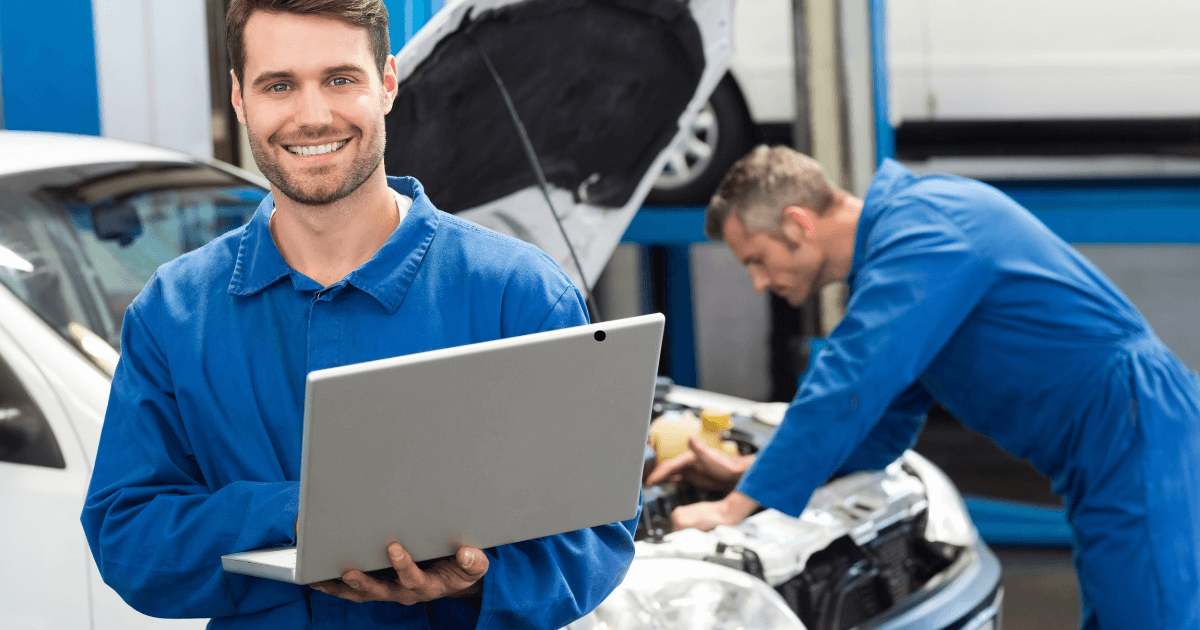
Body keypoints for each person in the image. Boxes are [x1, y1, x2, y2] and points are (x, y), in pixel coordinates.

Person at [80, 1, 636, 628]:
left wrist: (471, 583)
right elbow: (128, 538)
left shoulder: (519, 294)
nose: (312, 116)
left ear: (387, 84)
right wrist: (303, 515)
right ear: (239, 98)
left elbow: (596, 535)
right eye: (279, 85)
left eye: (340, 79)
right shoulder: (175, 313)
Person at [646, 145, 1200, 629]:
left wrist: (735, 508)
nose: (760, 283)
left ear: (798, 224)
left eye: (757, 260)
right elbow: (876, 428)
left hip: (1135, 422)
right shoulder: (903, 258)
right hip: (1109, 443)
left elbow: (851, 380)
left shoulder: (926, 227)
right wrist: (755, 475)